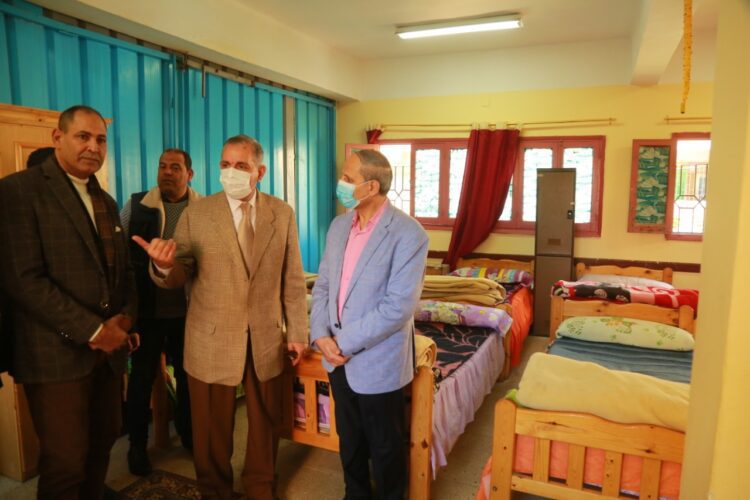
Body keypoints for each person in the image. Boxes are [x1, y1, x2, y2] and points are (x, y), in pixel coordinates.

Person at [133, 134, 308, 499]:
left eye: (241, 166)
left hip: (264, 336)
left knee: (264, 424)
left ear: (260, 171)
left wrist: (297, 332)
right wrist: (163, 266)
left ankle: (261, 487)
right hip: (211, 337)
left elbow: (292, 278)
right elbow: (180, 269)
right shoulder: (198, 213)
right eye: (225, 165)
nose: (231, 173)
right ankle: (214, 490)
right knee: (211, 428)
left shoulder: (281, 213)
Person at [0, 105, 138, 499]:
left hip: (106, 357)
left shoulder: (104, 200)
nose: (93, 147)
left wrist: (126, 318)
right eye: (83, 136)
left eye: (101, 140)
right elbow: (23, 280)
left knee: (102, 442)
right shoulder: (19, 191)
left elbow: (125, 271)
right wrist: (93, 330)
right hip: (54, 356)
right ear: (58, 138)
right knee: (65, 461)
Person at [310, 149, 429, 500]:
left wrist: (342, 343)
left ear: (372, 186)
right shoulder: (339, 226)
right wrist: (320, 335)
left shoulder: (409, 234)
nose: (340, 184)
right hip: (335, 358)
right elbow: (323, 285)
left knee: (386, 446)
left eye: (348, 178)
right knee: (349, 441)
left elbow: (398, 307)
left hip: (378, 361)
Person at [120, 148, 200, 475]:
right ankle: (137, 446)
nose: (167, 172)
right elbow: (119, 256)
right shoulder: (137, 205)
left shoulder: (203, 209)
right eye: (162, 166)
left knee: (188, 378)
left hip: (188, 313)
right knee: (140, 381)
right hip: (147, 313)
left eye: (175, 167)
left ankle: (189, 435)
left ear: (189, 174)